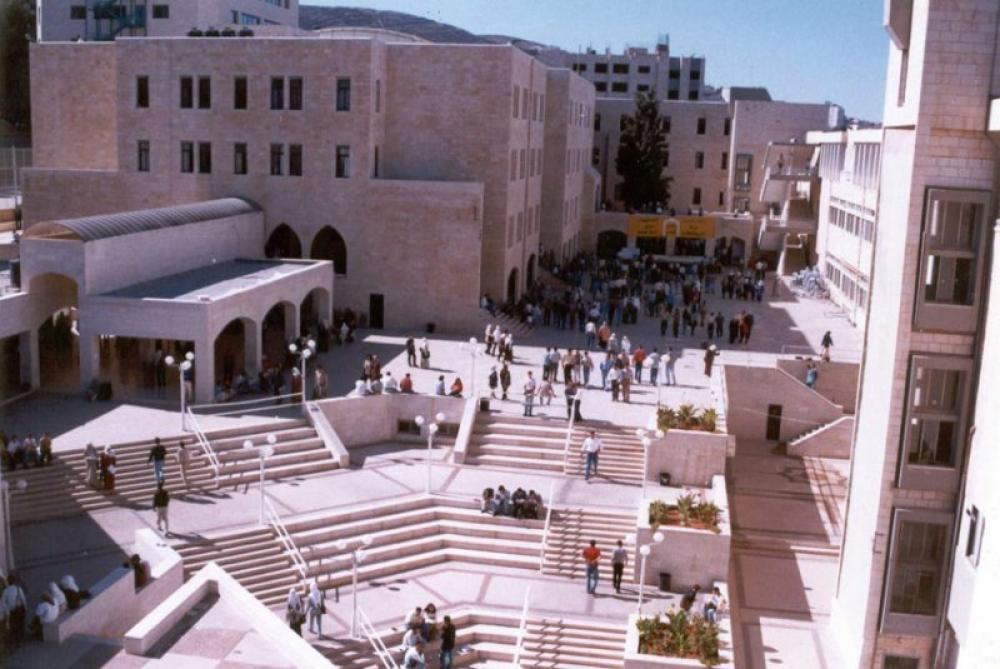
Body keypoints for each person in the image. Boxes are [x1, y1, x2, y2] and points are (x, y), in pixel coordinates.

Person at [3, 573, 27, 645]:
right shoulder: (18, 589)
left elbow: (3, 603)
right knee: (21, 624)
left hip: (12, 611)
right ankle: (21, 639)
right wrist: (25, 608)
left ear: (8, 582)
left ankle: (15, 640)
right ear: (14, 581)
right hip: (20, 610)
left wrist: (7, 611)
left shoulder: (5, 591)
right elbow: (23, 599)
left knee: (14, 625)